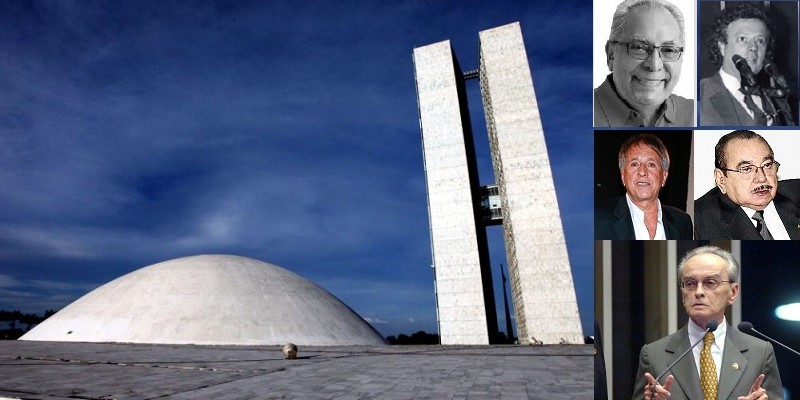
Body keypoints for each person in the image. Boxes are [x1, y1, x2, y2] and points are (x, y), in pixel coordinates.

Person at [632, 246, 783, 400]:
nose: (698, 292)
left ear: (733, 292)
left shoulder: (760, 353)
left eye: (710, 282)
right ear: (682, 294)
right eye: (690, 283)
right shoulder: (654, 355)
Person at [594, 0, 694, 127]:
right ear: (611, 54)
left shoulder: (697, 114)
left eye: (669, 50)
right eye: (639, 48)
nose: (654, 65)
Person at [699, 2, 793, 126]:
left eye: (760, 41)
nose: (753, 47)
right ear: (722, 46)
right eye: (742, 39)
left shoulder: (779, 103)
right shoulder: (700, 95)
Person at [694, 130, 800, 239]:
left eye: (767, 165)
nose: (762, 178)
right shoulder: (698, 221)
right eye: (747, 169)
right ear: (721, 179)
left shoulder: (796, 193)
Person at [595, 134, 693, 240]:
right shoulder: (596, 218)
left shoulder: (682, 222)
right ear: (623, 176)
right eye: (634, 164)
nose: (642, 172)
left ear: (664, 177)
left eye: (651, 164)